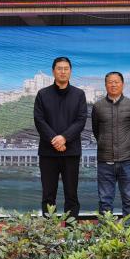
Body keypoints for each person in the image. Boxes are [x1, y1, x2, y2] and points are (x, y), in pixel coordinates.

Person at [32, 56, 87, 220]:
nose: (63, 72)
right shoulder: (42, 94)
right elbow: (39, 120)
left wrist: (64, 138)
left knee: (71, 195)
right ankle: (50, 231)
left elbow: (81, 120)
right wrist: (55, 140)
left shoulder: (79, 94)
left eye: (66, 69)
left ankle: (71, 231)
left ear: (70, 71)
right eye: (59, 68)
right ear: (53, 71)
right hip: (48, 153)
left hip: (71, 152)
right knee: (48, 195)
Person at [91, 71, 130, 218]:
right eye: (110, 82)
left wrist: (127, 143)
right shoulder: (98, 106)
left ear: (122, 84)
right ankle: (106, 230)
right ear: (105, 85)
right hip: (105, 161)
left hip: (127, 160)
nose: (113, 85)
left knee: (129, 199)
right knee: (105, 200)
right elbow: (96, 131)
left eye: (116, 82)